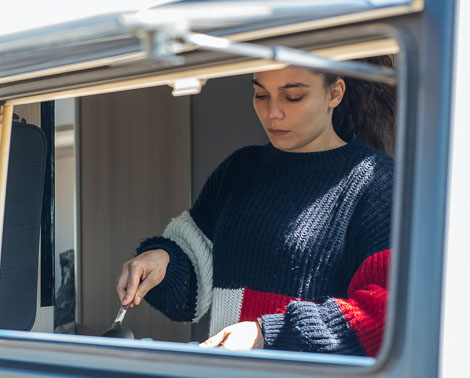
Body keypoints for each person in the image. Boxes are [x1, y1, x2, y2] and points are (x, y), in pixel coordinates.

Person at [115, 56, 395, 356]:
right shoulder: (240, 169)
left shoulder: (375, 180)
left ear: (334, 93)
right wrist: (163, 261)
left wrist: (266, 333)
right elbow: (192, 287)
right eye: (260, 94)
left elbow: (385, 313)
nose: (272, 112)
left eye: (293, 96)